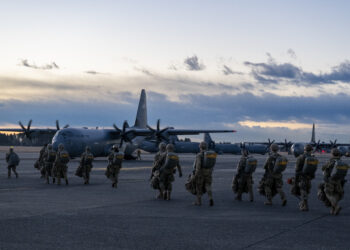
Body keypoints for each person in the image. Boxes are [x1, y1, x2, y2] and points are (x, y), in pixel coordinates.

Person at [319, 148, 347, 215]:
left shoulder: (330, 161)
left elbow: (323, 168)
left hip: (330, 181)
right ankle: (333, 208)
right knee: (335, 194)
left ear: (332, 154)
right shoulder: (341, 162)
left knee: (327, 193)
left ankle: (336, 206)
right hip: (339, 181)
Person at [292, 144, 318, 211]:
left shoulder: (301, 157)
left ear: (304, 149)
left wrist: (296, 180)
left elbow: (297, 169)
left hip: (302, 177)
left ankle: (305, 205)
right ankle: (302, 204)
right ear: (311, 150)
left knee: (301, 191)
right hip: (309, 177)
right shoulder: (313, 158)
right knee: (306, 191)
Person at [193, 141, 216, 206]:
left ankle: (198, 201)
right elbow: (213, 164)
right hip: (208, 172)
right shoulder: (210, 155)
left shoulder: (199, 155)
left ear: (200, 147)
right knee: (208, 185)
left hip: (201, 173)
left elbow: (198, 165)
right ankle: (210, 198)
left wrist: (196, 174)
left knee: (199, 187)